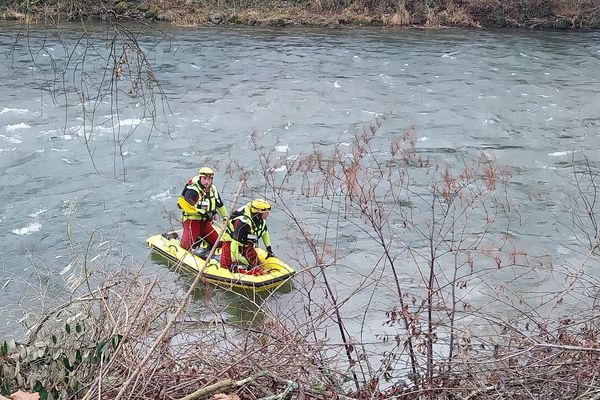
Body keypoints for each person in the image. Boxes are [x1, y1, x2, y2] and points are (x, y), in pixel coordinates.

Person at [220, 199, 275, 275]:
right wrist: (234, 261)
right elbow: (235, 243)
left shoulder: (261, 220)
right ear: (258, 213)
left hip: (246, 242)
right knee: (226, 266)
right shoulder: (243, 223)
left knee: (257, 265)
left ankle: (249, 266)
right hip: (230, 240)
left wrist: (268, 248)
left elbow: (264, 232)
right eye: (266, 212)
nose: (268, 214)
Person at [179, 166, 228, 251]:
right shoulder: (193, 190)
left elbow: (219, 204)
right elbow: (187, 204)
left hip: (205, 223)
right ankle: (174, 238)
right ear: (200, 178)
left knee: (218, 244)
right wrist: (203, 212)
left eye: (209, 179)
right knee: (185, 247)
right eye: (204, 178)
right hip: (192, 222)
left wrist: (225, 218)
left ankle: (202, 243)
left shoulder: (213, 190)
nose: (207, 182)